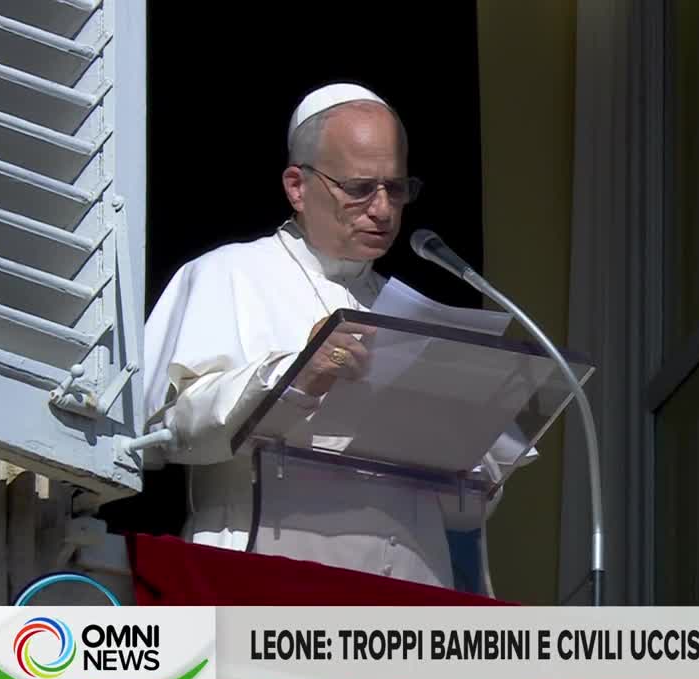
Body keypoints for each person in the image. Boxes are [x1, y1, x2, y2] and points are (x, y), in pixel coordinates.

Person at [141, 83, 502, 591]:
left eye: (396, 189)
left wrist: (471, 436)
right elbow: (169, 430)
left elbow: (467, 510)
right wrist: (294, 375)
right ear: (296, 185)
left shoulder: (423, 320)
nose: (382, 210)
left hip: (409, 611)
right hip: (267, 592)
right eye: (360, 189)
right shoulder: (229, 274)